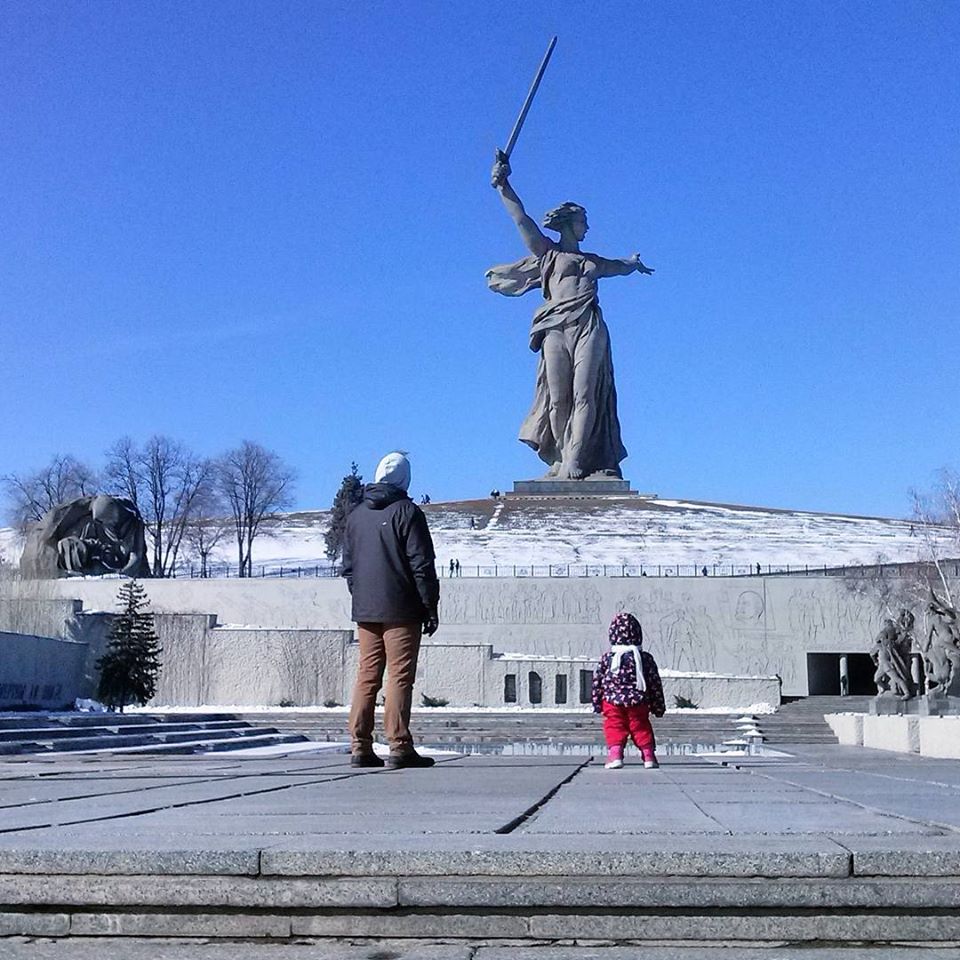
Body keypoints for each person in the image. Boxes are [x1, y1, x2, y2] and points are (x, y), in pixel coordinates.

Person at [488, 152, 654, 480]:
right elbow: (523, 221)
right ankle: (561, 457)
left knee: (585, 392)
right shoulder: (549, 254)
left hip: (588, 326)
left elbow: (617, 267)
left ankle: (576, 459)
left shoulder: (591, 260)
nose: (588, 227)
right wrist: (503, 186)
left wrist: (632, 263)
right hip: (554, 327)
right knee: (558, 397)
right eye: (583, 221)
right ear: (568, 223)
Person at [342, 452, 440, 769]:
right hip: (402, 608)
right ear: (404, 479)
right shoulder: (407, 512)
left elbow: (349, 568)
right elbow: (421, 565)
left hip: (366, 610)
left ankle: (360, 745)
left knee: (367, 677)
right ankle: (399, 745)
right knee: (399, 677)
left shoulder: (356, 516)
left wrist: (362, 595)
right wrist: (430, 605)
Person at [591, 612, 665, 770]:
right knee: (641, 726)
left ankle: (616, 755)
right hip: (639, 701)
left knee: (614, 726)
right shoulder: (645, 658)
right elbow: (654, 683)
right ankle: (649, 756)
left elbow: (598, 683)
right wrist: (658, 706)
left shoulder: (608, 658)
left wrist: (597, 703)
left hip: (612, 701)